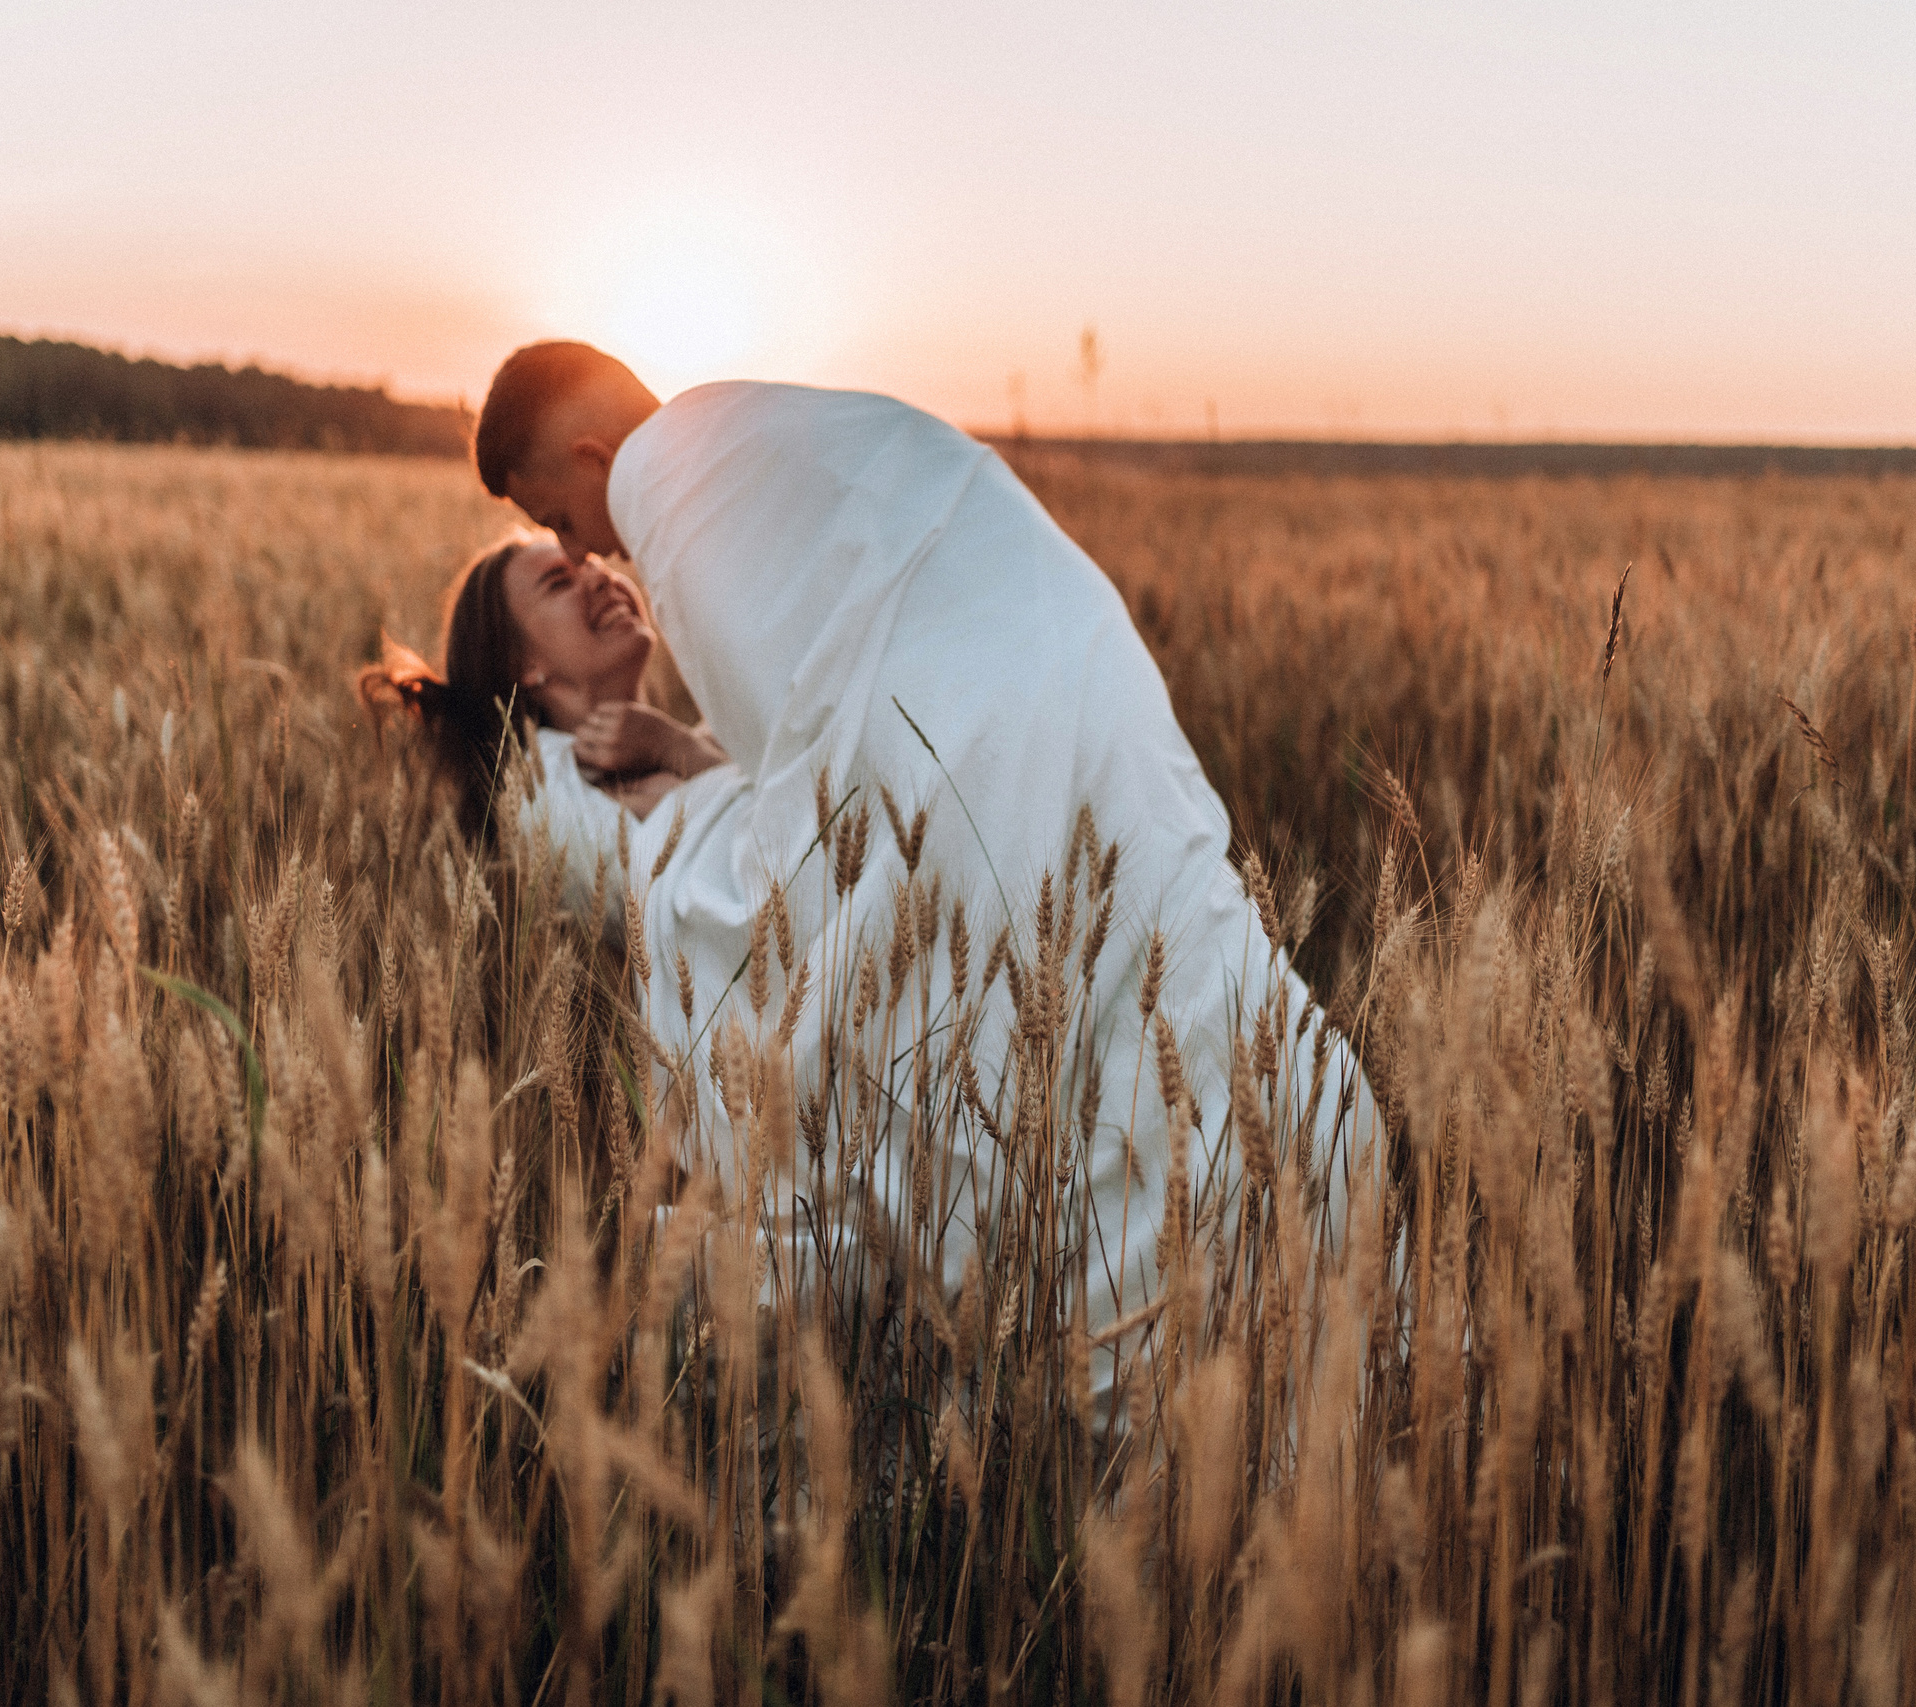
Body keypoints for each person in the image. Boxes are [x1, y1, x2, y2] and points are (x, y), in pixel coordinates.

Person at [472, 343, 1365, 1368]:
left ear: (597, 457)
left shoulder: (666, 492)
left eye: (561, 520)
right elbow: (837, 724)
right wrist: (697, 765)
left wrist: (692, 801)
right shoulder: (776, 424)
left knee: (1068, 1101)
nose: (591, 551)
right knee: (1169, 1003)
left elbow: (812, 812)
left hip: (989, 797)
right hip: (1092, 726)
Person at [357, 529, 728, 894]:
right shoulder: (545, 801)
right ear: (520, 663)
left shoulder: (718, 729)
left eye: (595, 564)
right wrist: (680, 753)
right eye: (559, 582)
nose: (602, 577)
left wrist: (677, 749)